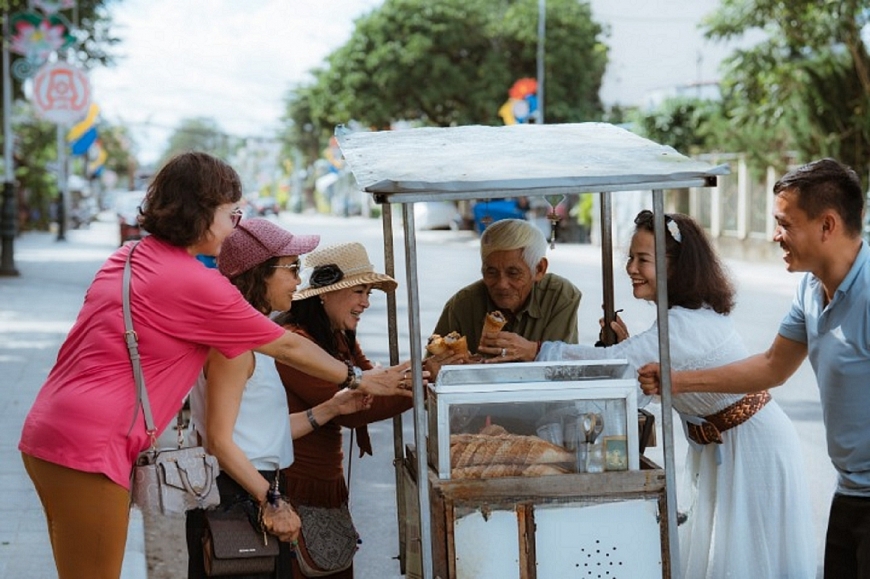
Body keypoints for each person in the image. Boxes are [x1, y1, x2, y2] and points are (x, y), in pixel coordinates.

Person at [17, 152, 409, 579]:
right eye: (231, 213)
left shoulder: (128, 257)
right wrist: (358, 377)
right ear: (200, 210)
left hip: (50, 426)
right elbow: (288, 348)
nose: (234, 226)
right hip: (90, 445)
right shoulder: (196, 283)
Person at [531, 209, 816, 578]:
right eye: (630, 257)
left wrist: (539, 350)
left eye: (643, 259)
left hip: (753, 448)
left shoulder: (682, 324)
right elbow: (635, 364)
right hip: (726, 447)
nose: (631, 267)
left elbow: (613, 366)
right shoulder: (682, 316)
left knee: (748, 561)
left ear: (676, 267)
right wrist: (630, 346)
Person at [639, 158, 870, 578]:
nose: (775, 236)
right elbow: (771, 367)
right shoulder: (810, 289)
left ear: (828, 225)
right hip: (850, 490)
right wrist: (675, 381)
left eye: (785, 224)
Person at [185, 219, 374, 578]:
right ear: (260, 274)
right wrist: (270, 500)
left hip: (250, 488)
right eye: (292, 268)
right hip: (236, 496)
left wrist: (330, 409)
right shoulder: (235, 347)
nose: (298, 280)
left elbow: (257, 431)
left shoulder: (257, 338)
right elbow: (221, 442)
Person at [274, 242, 414, 579]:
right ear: (325, 294)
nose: (365, 302)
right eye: (358, 291)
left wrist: (416, 373)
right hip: (296, 484)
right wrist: (421, 380)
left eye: (368, 292)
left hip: (327, 483)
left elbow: (373, 380)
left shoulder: (337, 335)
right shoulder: (296, 341)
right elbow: (353, 409)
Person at [430, 218, 581, 363]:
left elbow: (561, 367)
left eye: (513, 273)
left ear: (539, 269)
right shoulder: (462, 305)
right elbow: (428, 370)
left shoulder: (560, 296)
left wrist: (531, 351)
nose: (502, 284)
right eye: (491, 272)